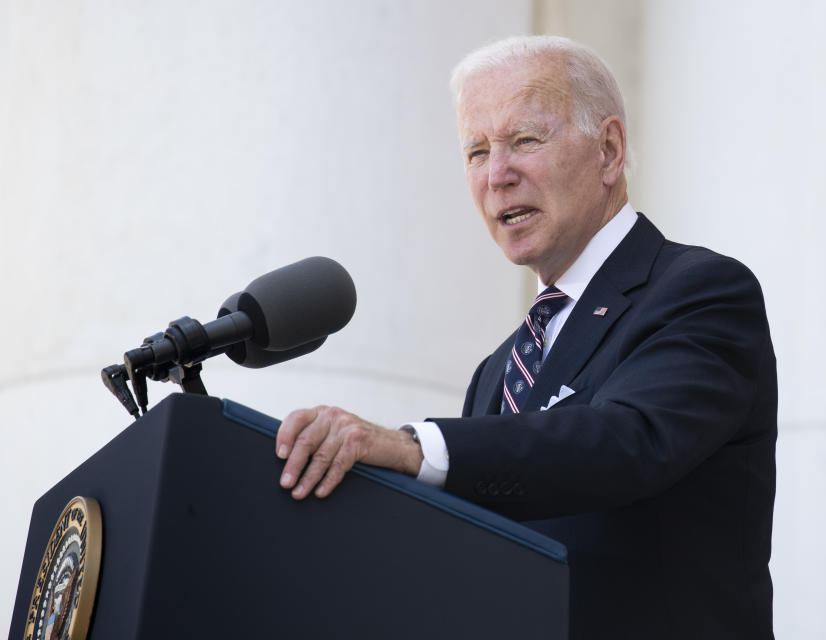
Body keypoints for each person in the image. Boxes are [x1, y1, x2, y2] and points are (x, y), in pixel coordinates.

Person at [275, 35, 777, 638]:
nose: (497, 176)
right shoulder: (497, 372)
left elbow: (626, 441)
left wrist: (414, 448)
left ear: (609, 151)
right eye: (476, 152)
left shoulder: (701, 291)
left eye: (524, 141)